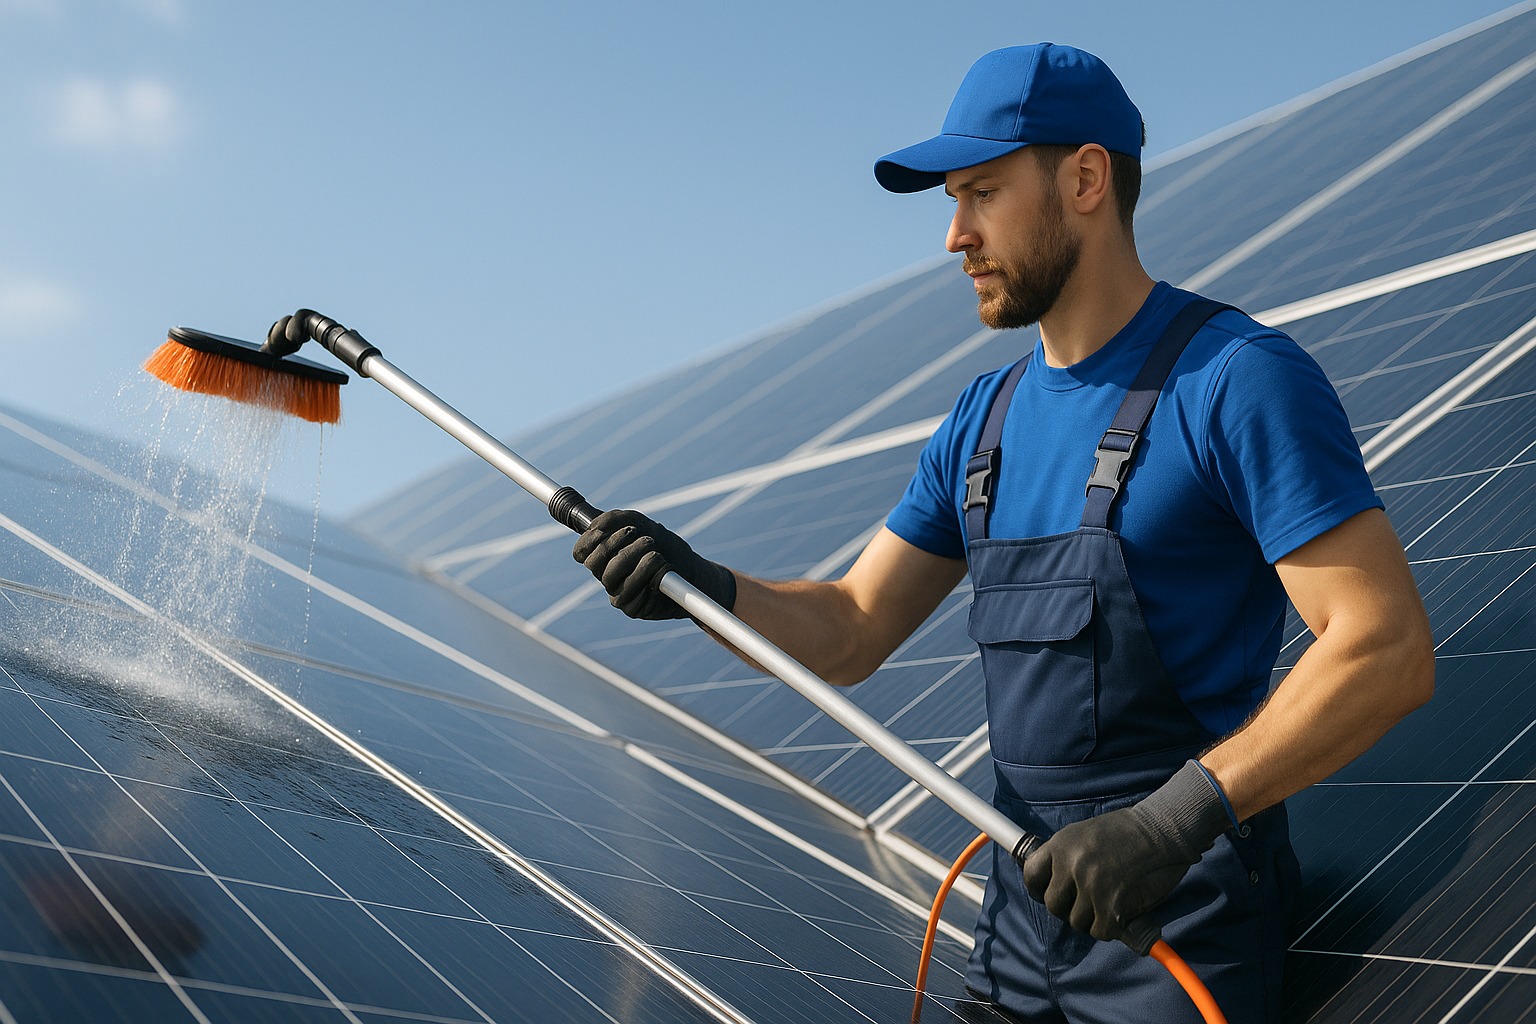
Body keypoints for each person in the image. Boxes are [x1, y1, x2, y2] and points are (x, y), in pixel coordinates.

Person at [573, 43, 1434, 1023]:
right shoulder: (981, 421)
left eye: (981, 193)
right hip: (1020, 928)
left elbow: (1386, 646)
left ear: (1085, 178)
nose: (953, 235)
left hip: (1174, 928)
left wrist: (1165, 826)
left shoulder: (1237, 382)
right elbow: (852, 626)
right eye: (952, 200)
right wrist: (697, 583)